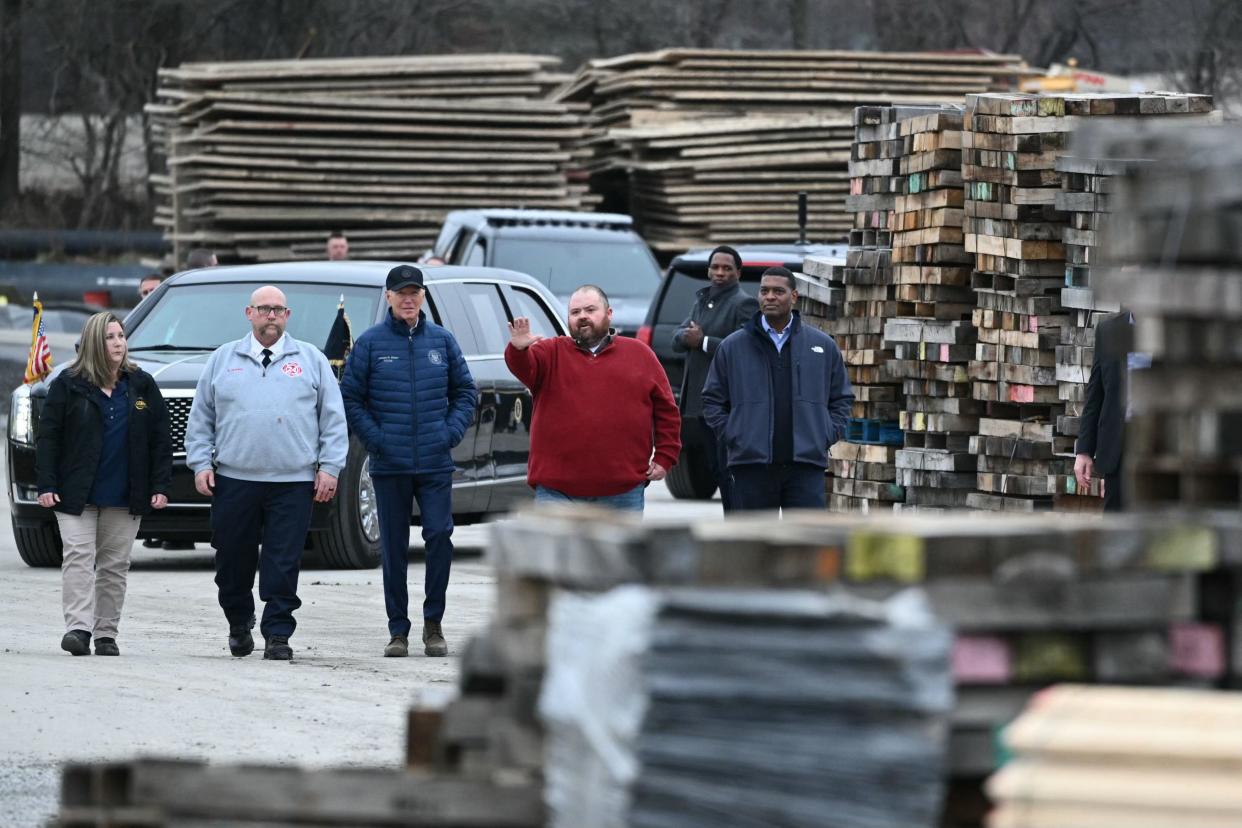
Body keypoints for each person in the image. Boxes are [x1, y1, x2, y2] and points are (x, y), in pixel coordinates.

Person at [185, 285, 347, 661]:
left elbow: (333, 420)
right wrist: (200, 464)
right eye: (264, 309)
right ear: (249, 313)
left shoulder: (311, 359)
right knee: (232, 560)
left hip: (293, 480)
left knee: (283, 560)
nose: (271, 316)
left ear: (288, 316)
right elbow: (201, 419)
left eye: (278, 310)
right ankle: (239, 622)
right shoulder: (224, 359)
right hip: (234, 479)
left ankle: (278, 633)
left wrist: (330, 468)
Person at [340, 265, 475, 659]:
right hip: (390, 463)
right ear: (388, 297)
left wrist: (448, 434)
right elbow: (351, 397)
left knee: (438, 537)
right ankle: (397, 629)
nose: (408, 298)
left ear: (423, 296)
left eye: (415, 291)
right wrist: (376, 440)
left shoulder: (443, 342)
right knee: (395, 548)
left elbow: (465, 390)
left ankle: (434, 624)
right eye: (401, 292)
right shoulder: (370, 344)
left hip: (434, 463)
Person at [35, 312, 172, 656]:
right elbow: (49, 438)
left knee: (114, 565)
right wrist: (47, 483)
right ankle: (78, 630)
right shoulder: (67, 383)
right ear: (96, 341)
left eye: (121, 336)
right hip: (75, 492)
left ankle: (106, 633)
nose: (118, 343)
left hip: (124, 492)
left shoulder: (142, 384)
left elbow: (160, 439)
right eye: (110, 337)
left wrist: (160, 484)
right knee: (79, 557)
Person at [504, 284, 681, 513]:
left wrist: (666, 455)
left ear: (608, 314)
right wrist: (517, 350)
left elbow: (667, 411)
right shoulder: (550, 352)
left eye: (590, 310)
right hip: (556, 492)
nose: (582, 317)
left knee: (620, 551)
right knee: (557, 551)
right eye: (575, 312)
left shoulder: (640, 354)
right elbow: (523, 368)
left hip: (623, 491)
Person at [702, 266, 853, 512]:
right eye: (764, 291)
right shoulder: (733, 347)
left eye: (778, 291)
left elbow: (842, 399)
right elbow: (711, 400)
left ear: (794, 297)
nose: (770, 296)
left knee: (806, 545)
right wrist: (736, 435)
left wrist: (824, 434)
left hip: (806, 467)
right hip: (751, 467)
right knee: (756, 545)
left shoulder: (822, 346)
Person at [671, 245, 758, 511]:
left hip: (725, 403)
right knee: (716, 468)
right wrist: (687, 337)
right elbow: (677, 338)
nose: (720, 273)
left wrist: (703, 341)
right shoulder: (702, 300)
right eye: (715, 267)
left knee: (728, 469)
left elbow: (747, 348)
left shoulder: (743, 303)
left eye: (726, 268)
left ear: (738, 273)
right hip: (700, 401)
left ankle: (738, 524)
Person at [1075, 311, 1134, 512]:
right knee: (1115, 527)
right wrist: (1084, 450)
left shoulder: (1172, 332)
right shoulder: (1108, 330)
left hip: (1160, 444)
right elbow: (1096, 394)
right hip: (1118, 445)